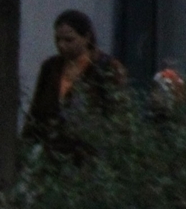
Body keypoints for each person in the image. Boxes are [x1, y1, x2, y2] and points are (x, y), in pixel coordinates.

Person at [23, 10, 128, 158]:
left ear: (86, 38)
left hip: (90, 154)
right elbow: (36, 111)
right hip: (52, 152)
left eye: (69, 40)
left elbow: (118, 114)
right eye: (58, 40)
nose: (61, 45)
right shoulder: (51, 67)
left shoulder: (106, 68)